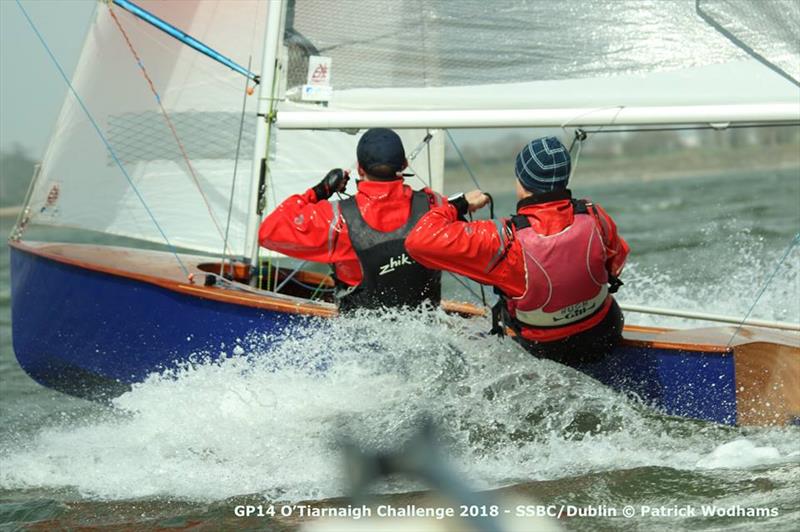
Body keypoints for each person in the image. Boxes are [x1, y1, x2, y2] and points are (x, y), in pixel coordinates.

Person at [405, 136, 629, 364]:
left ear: (521, 182)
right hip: (603, 332)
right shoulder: (595, 215)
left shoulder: (503, 239)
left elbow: (418, 241)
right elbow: (616, 263)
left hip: (545, 349)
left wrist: (458, 204)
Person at [259, 128, 443, 311]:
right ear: (403, 165)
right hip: (424, 327)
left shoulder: (337, 220)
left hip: (360, 332)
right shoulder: (436, 208)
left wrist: (319, 191)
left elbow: (268, 231)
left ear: (360, 169)